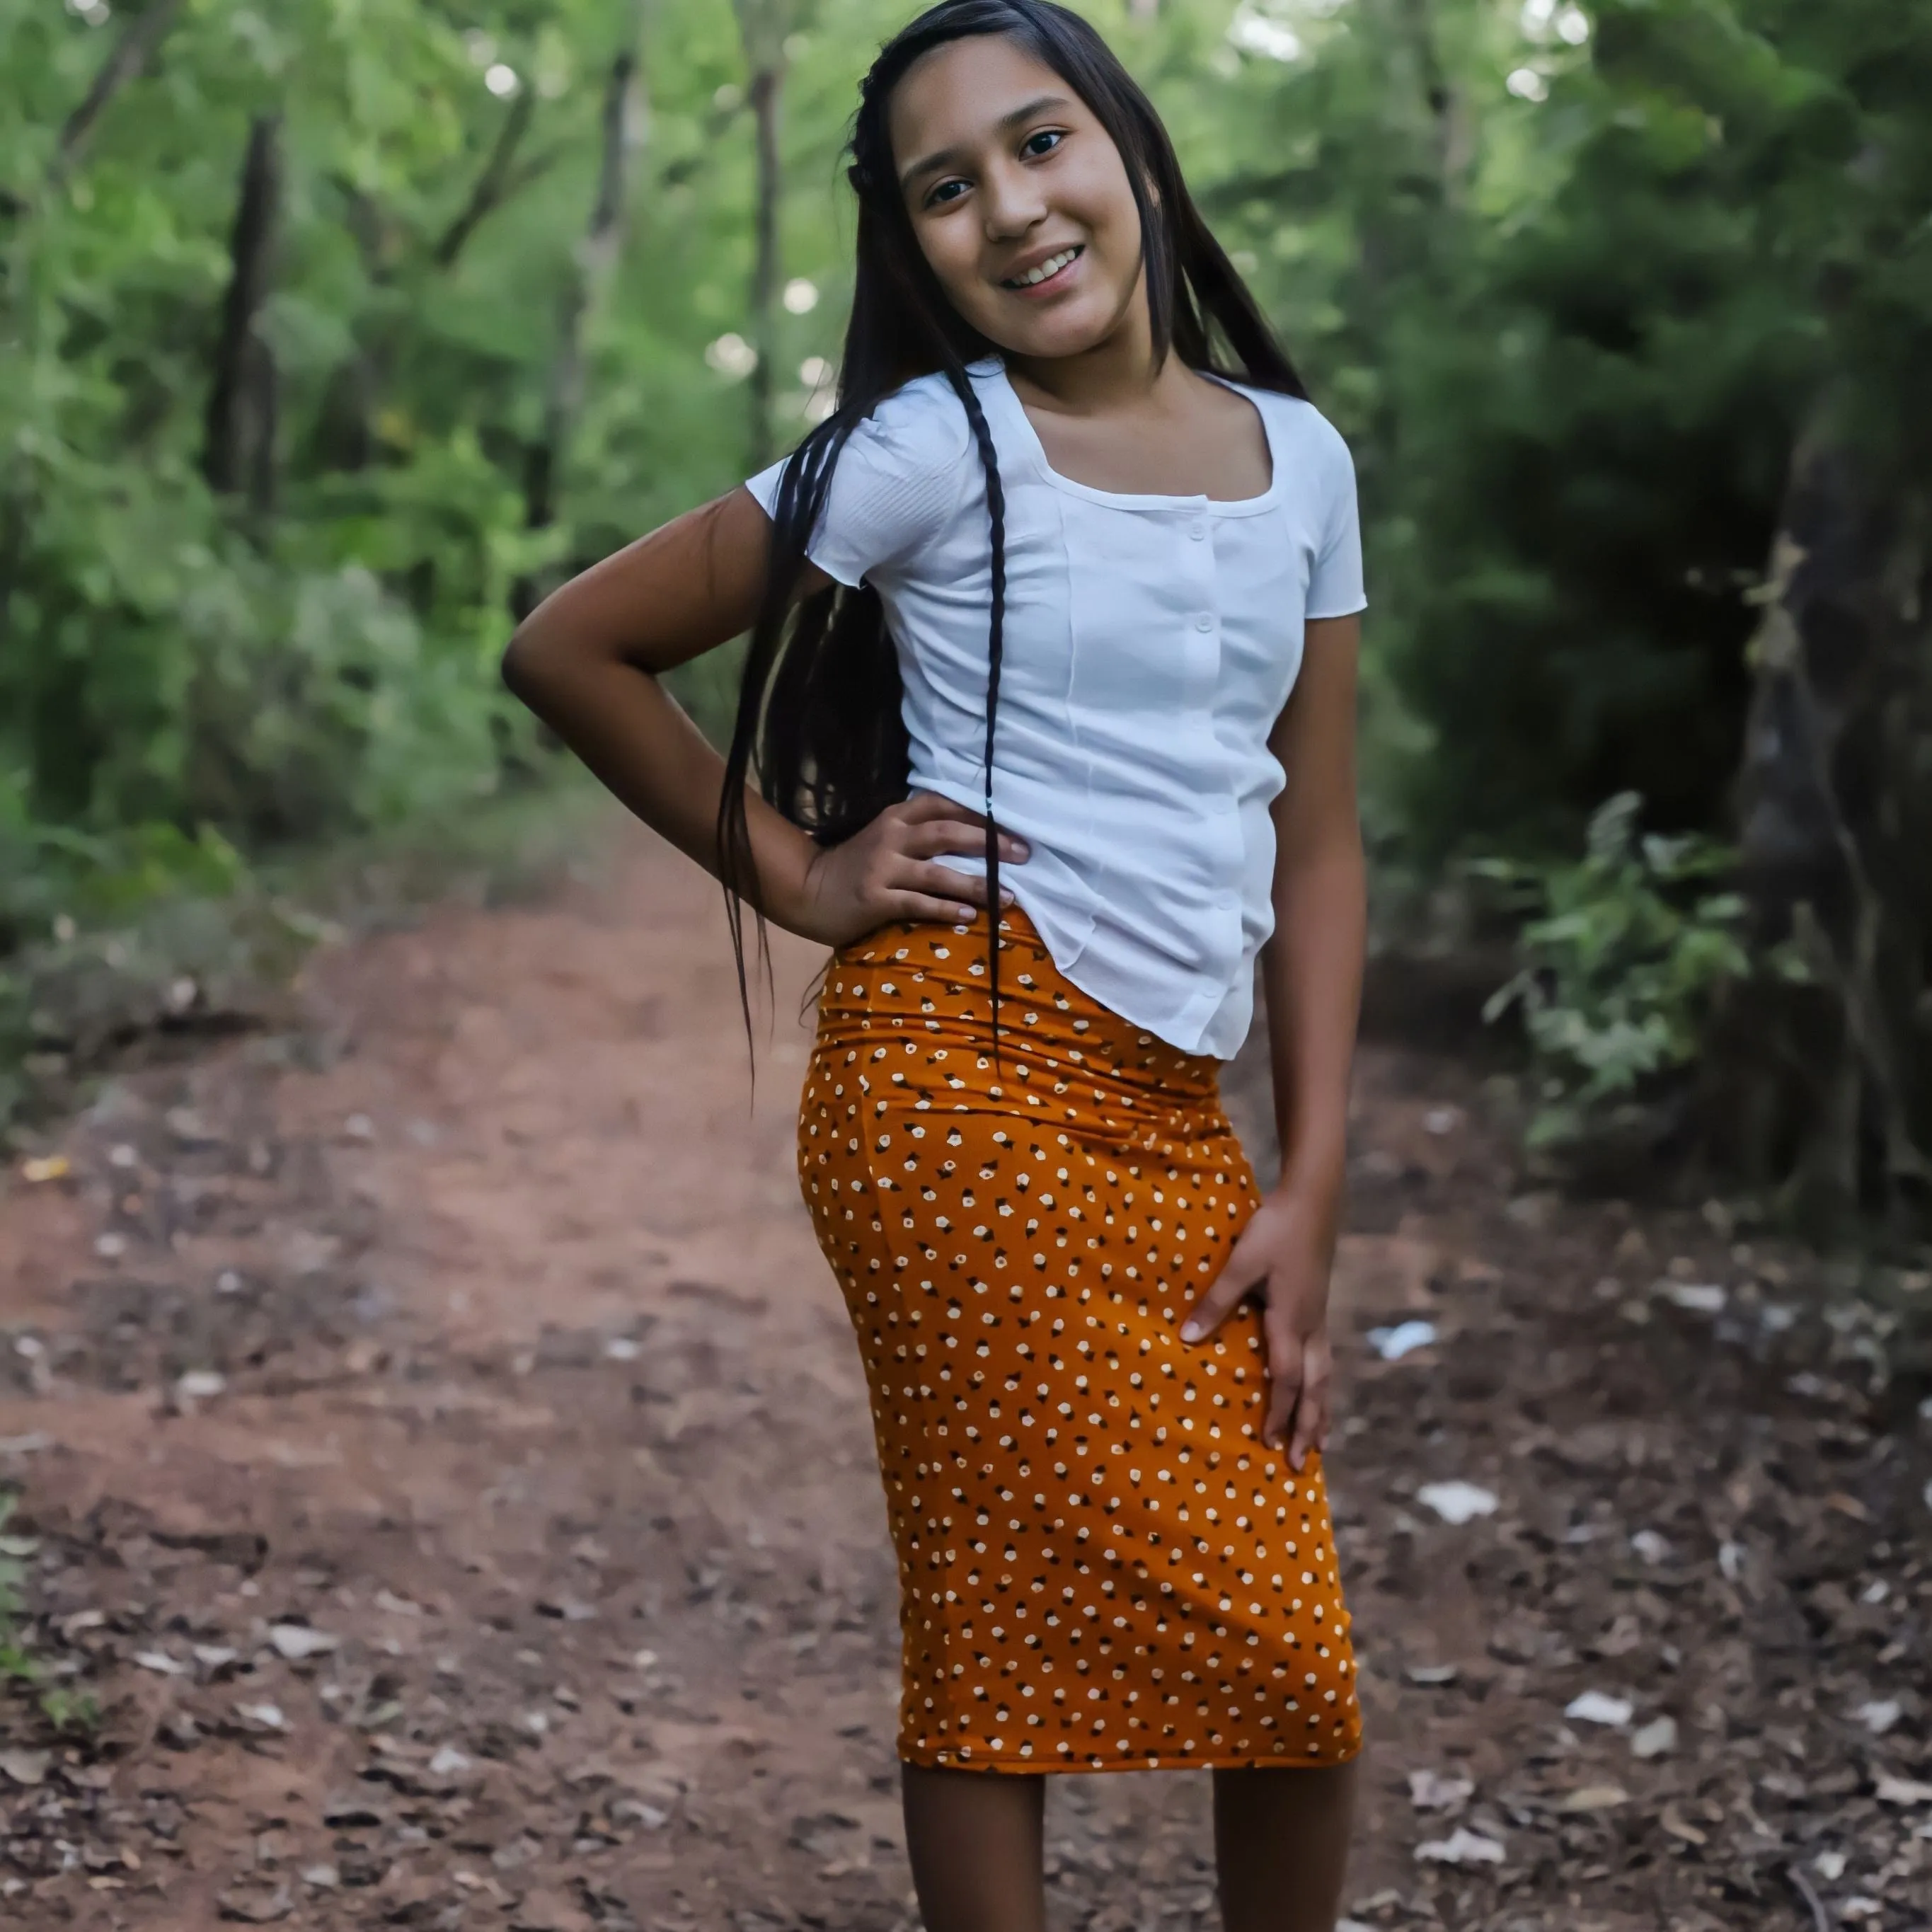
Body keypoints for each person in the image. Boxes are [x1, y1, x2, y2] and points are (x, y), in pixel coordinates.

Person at [502, 3, 1367, 1926]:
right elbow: (575, 646)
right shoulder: (933, 445)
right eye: (946, 188)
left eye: (1042, 143)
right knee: (1000, 1640)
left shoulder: (1300, 462)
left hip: (1170, 1108)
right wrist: (802, 877)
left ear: (1131, 151)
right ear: (916, 248)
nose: (1014, 208)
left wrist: (1308, 1184)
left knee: (1295, 1677)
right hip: (960, 1081)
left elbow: (1317, 844)